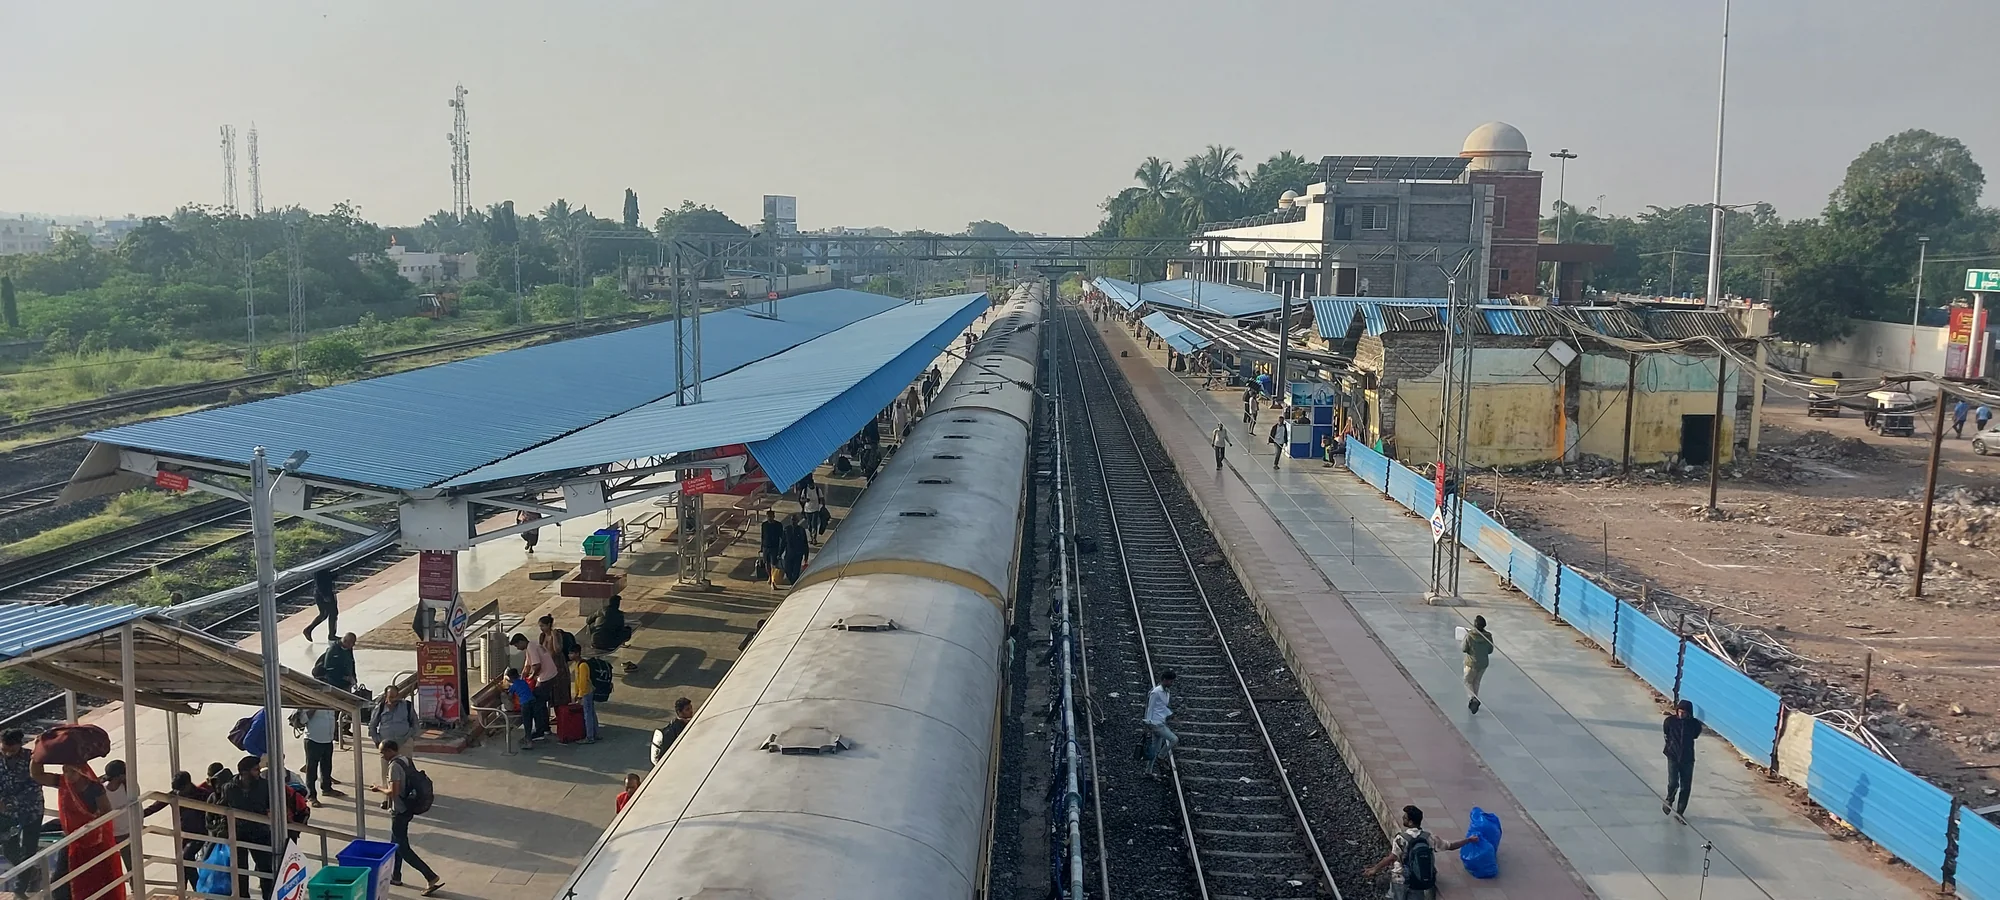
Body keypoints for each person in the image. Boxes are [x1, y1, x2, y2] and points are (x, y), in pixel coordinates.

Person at [372, 741, 444, 896]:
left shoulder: (394, 767)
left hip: (399, 810)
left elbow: (394, 791)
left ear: (390, 751)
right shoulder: (406, 760)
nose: (382, 756)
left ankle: (430, 876)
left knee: (403, 848)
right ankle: (396, 876)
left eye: (383, 752)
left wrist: (379, 788)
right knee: (395, 845)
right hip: (409, 807)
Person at [1362, 805, 1477, 900]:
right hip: (1419, 879)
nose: (1402, 818)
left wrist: (1375, 869)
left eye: (1405, 818)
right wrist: (1468, 840)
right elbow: (1451, 846)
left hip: (1401, 878)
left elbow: (1392, 857)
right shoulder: (1429, 838)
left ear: (1411, 822)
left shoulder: (1401, 839)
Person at [220, 756, 273, 899]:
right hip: (238, 834)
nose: (259, 772)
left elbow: (271, 805)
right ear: (244, 773)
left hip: (260, 833)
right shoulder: (229, 788)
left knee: (266, 870)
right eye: (255, 770)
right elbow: (223, 808)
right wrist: (224, 829)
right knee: (240, 872)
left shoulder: (264, 786)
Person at [1, 729, 44, 897]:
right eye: (4, 749)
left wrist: (8, 803)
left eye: (11, 750)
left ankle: (19, 889)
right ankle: (32, 872)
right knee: (9, 849)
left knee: (28, 850)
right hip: (7, 814)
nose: (7, 753)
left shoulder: (31, 758)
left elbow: (34, 786)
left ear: (20, 745)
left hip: (31, 810)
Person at [153, 771, 211, 889]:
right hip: (185, 833)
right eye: (176, 790)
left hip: (200, 833)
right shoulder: (176, 793)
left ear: (188, 784)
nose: (178, 792)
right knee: (183, 862)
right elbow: (157, 805)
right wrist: (141, 814)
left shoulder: (202, 795)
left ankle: (198, 888)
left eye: (181, 789)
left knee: (186, 857)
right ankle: (184, 888)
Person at [1663, 698, 1705, 820]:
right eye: (1680, 711)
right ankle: (1669, 799)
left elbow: (1695, 735)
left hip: (1688, 759)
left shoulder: (1695, 724)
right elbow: (1666, 734)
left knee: (1685, 786)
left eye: (1684, 712)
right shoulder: (1670, 721)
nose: (1681, 714)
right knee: (1673, 782)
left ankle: (1680, 812)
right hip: (1673, 756)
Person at [512, 632, 559, 736]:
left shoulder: (531, 648)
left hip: (546, 677)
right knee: (541, 703)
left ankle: (540, 731)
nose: (517, 648)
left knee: (537, 703)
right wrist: (522, 677)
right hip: (551, 674)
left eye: (517, 645)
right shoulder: (532, 645)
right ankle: (545, 728)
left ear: (521, 642)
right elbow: (527, 666)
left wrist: (532, 676)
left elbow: (536, 665)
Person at [370, 684, 419, 780]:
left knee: (405, 769)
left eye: (396, 696)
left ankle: (406, 787)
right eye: (391, 697)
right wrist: (377, 740)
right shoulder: (380, 707)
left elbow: (415, 723)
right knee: (387, 770)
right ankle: (388, 787)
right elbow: (372, 725)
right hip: (386, 745)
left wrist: (410, 737)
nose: (394, 699)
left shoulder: (407, 706)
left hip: (404, 742)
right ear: (386, 696)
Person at [1143, 671, 1178, 778]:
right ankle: (1161, 757)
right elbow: (1150, 708)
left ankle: (1148, 771)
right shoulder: (1156, 692)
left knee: (1155, 748)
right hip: (1155, 723)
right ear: (1164, 680)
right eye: (1170, 681)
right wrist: (1148, 724)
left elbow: (1162, 707)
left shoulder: (1167, 692)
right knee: (1174, 739)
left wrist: (1170, 715)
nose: (1172, 683)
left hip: (1161, 721)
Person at [101, 759, 135, 867]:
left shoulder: (102, 790)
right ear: (119, 776)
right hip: (117, 833)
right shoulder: (129, 788)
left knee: (132, 866)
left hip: (125, 832)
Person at [539, 615, 579, 706]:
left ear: (548, 625)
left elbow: (558, 649)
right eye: (540, 626)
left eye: (542, 626)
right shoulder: (542, 636)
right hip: (548, 666)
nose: (541, 628)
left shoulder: (556, 635)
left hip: (558, 665)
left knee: (560, 691)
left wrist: (554, 636)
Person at [301, 707, 337, 805]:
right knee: (311, 769)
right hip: (313, 739)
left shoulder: (331, 702)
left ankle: (327, 789)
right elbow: (303, 720)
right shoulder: (310, 701)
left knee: (327, 766)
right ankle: (311, 795)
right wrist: (314, 708)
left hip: (328, 739)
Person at [1461, 616, 1494, 715]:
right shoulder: (1488, 636)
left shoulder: (1470, 636)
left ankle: (1473, 698)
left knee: (1467, 681)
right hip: (1483, 663)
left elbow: (1464, 649)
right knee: (1476, 682)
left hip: (1471, 663)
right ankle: (1473, 701)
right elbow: (1490, 650)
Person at [569, 646, 600, 744]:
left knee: (588, 714)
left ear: (577, 653)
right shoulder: (578, 664)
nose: (570, 655)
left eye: (572, 653)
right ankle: (595, 733)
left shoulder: (582, 666)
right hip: (587, 692)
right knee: (591, 712)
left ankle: (589, 737)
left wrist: (580, 695)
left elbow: (583, 682)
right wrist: (576, 693)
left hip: (586, 693)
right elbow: (578, 681)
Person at [507, 668, 545, 747]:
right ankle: (532, 736)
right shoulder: (523, 682)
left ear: (510, 678)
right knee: (531, 719)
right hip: (533, 701)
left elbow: (510, 697)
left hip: (525, 704)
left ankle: (528, 742)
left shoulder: (513, 686)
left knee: (527, 722)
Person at [651, 698, 696, 764]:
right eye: (687, 709)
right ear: (679, 712)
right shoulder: (679, 727)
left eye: (691, 708)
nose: (691, 711)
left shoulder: (674, 723)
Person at [305, 569, 339, 643]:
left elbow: (326, 578)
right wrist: (325, 596)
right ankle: (331, 635)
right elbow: (319, 583)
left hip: (326, 592)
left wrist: (334, 574)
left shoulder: (322, 568)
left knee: (325, 614)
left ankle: (309, 629)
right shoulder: (319, 569)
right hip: (323, 594)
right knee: (332, 613)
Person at [782, 514, 810, 585]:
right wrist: (779, 553)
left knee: (796, 571)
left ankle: (793, 583)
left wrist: (806, 556)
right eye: (792, 520)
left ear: (797, 521)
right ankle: (791, 580)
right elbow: (783, 542)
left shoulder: (801, 530)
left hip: (798, 554)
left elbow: (805, 543)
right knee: (787, 570)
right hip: (789, 554)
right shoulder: (787, 529)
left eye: (795, 520)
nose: (793, 522)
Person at [760, 510, 785, 583]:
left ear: (774, 516)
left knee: (773, 564)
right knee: (766, 563)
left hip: (774, 547)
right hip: (766, 547)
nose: (769, 518)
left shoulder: (778, 525)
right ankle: (770, 577)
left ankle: (773, 579)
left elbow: (782, 537)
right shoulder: (764, 525)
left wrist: (781, 548)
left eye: (771, 516)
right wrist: (761, 547)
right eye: (768, 517)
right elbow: (762, 536)